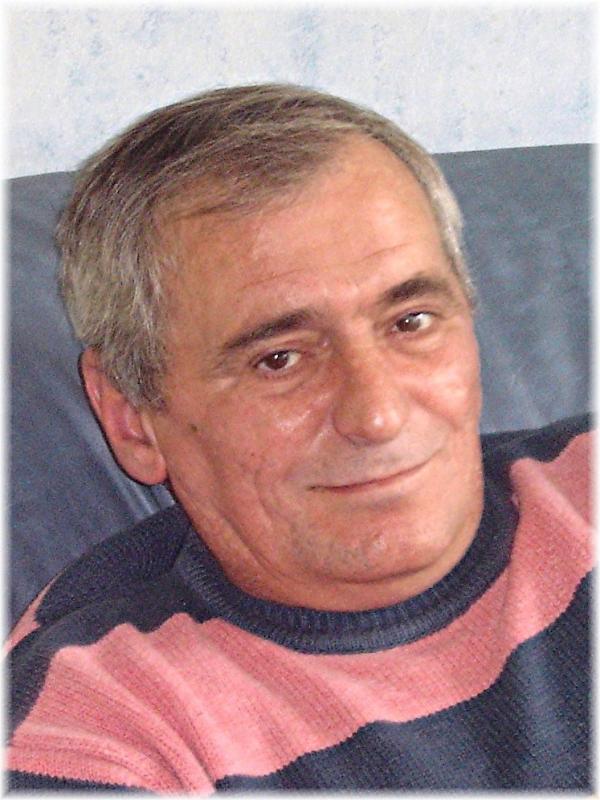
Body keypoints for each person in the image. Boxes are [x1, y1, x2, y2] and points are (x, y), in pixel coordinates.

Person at [7, 84, 591, 792]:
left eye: (410, 321)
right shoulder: (99, 720)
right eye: (279, 359)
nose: (377, 416)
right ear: (132, 417)